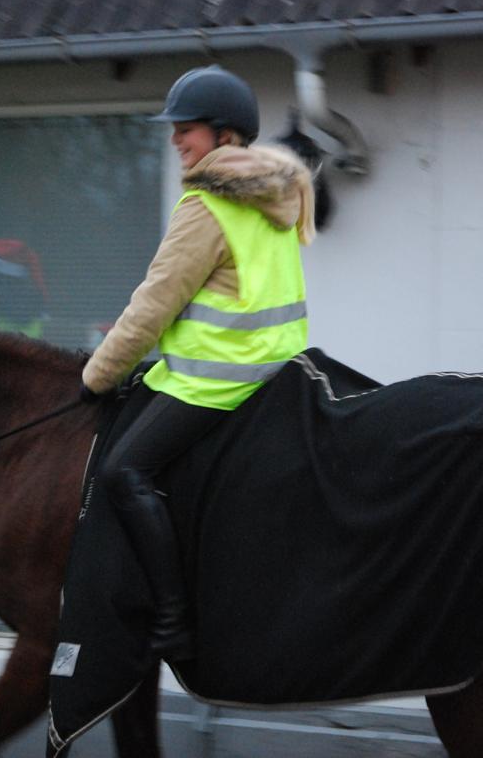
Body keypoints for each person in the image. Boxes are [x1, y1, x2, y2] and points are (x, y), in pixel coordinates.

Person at [80, 65, 316, 660]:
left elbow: (152, 306)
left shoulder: (206, 204)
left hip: (219, 381)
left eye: (187, 129)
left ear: (226, 136)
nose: (175, 140)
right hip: (278, 373)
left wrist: (98, 375)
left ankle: (173, 620)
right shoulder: (275, 196)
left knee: (122, 471)